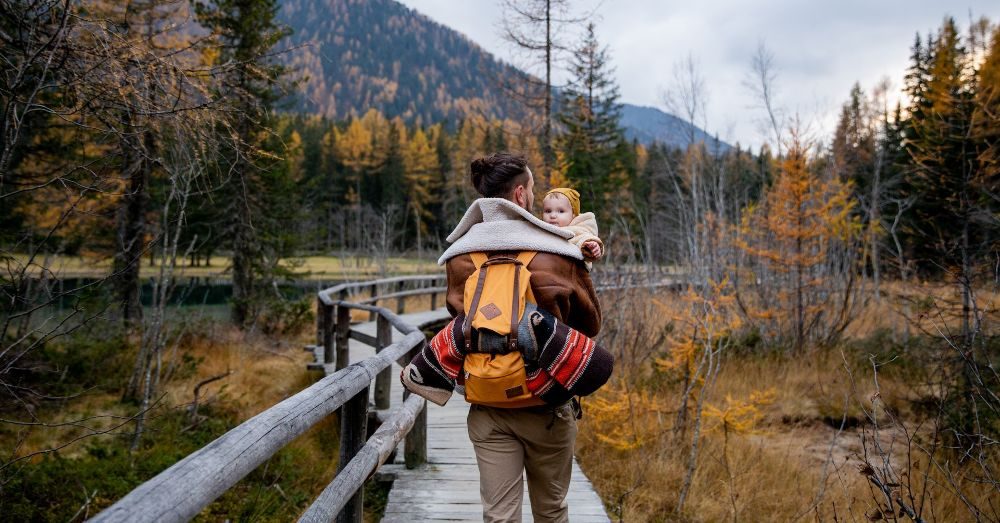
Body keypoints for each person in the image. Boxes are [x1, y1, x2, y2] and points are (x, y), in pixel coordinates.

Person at [438, 152, 602, 523]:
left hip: (488, 403)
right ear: (520, 195)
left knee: (499, 516)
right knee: (551, 511)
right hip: (546, 403)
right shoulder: (558, 252)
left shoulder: (460, 256)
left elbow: (459, 317)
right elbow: (589, 326)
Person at [541, 188, 604, 270]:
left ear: (573, 214)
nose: (552, 216)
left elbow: (583, 237)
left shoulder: (577, 230)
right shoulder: (542, 231)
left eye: (561, 211)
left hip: (573, 275)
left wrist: (592, 246)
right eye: (548, 211)